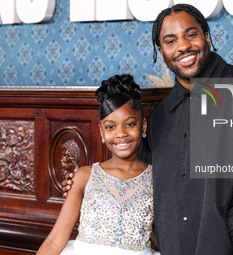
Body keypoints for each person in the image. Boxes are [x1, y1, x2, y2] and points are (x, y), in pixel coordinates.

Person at [64, 4, 233, 255]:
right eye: (170, 40)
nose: (183, 46)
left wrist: (229, 232)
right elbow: (137, 176)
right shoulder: (160, 118)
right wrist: (89, 182)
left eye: (191, 34)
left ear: (207, 36)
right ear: (161, 52)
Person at [38, 74, 159, 255]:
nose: (121, 134)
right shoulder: (84, 176)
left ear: (143, 126)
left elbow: (163, 234)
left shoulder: (156, 178)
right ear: (101, 130)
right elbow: (55, 240)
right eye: (111, 127)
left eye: (130, 124)